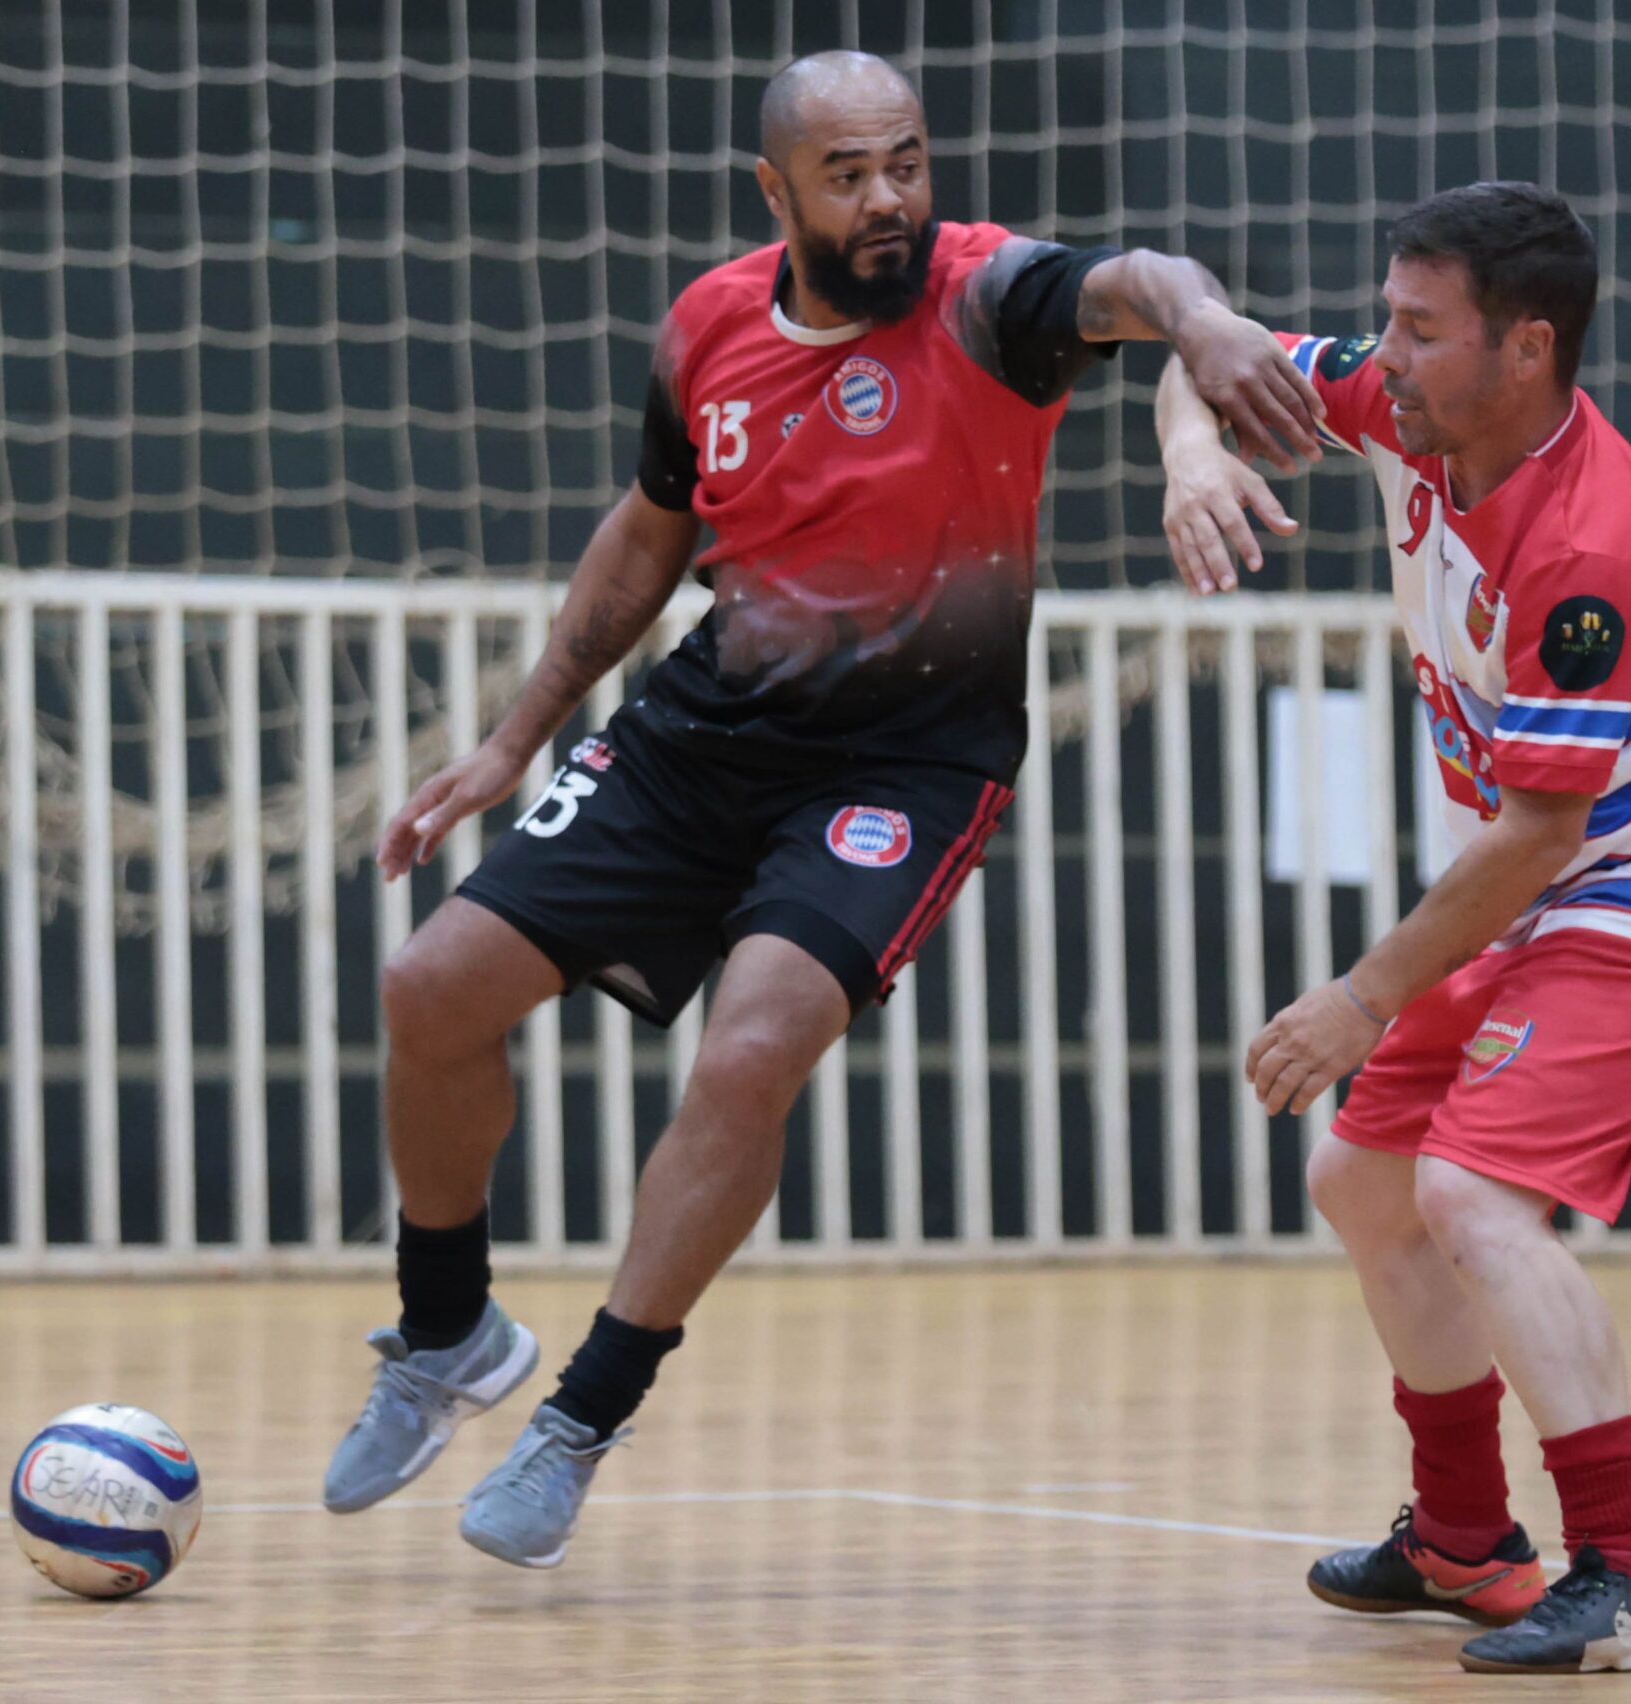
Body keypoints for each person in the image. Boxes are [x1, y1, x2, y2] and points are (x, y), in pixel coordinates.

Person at [324, 49, 1326, 1572]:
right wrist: (512, 738)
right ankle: (446, 1331)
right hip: (705, 731)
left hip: (908, 771)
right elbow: (649, 536)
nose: (889, 201)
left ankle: (583, 1414)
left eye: (908, 162)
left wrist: (1204, 334)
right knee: (428, 988)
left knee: (752, 1046)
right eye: (850, 174)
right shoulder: (708, 326)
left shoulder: (988, 297)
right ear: (775, 190)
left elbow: (1143, 278)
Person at [1153, 181, 1631, 1675]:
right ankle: (1462, 1542)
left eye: (1419, 329)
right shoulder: (1405, 409)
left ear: (1527, 349)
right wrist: (1194, 451)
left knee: (1473, 1200)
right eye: (1385, 315)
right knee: (1360, 1182)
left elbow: (1541, 833)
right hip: (1545, 895)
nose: (1382, 353)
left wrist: (1360, 998)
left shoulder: (1587, 541)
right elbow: (1201, 344)